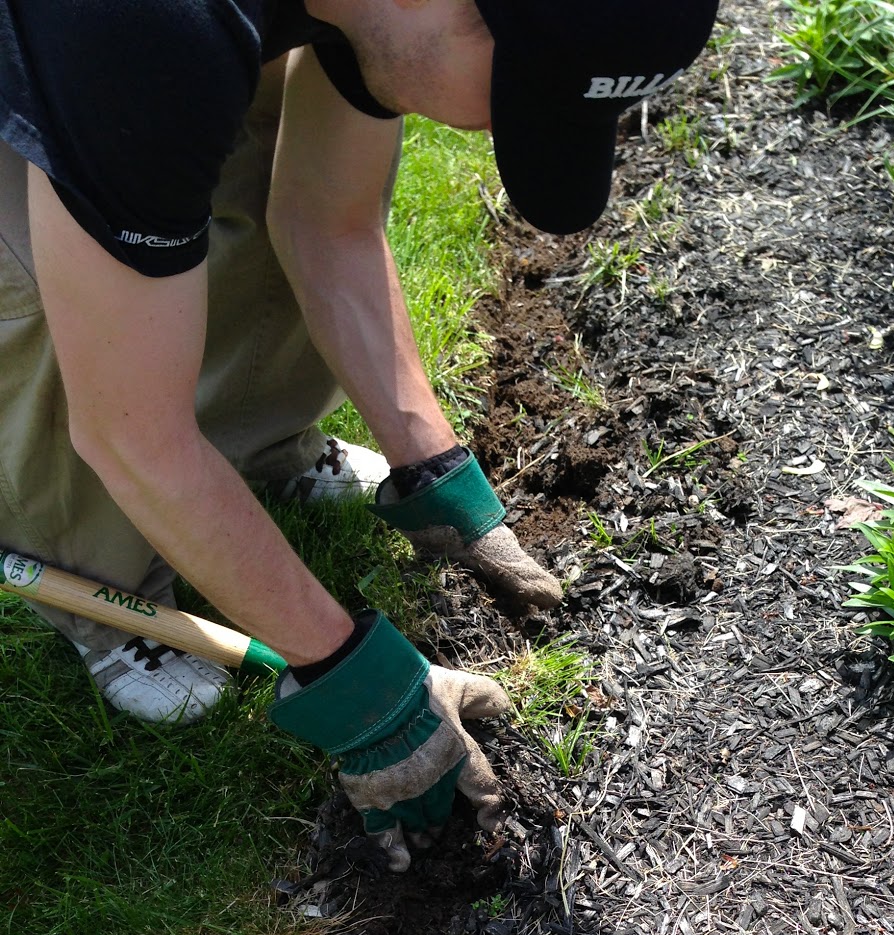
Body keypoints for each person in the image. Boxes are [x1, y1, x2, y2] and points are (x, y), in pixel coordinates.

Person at [0, 0, 718, 869]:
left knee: (238, 140)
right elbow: (131, 440)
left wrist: (437, 469)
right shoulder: (148, 34)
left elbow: (325, 221)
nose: (502, 126)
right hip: (72, 46)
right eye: (519, 92)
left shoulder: (391, 18)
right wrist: (355, 683)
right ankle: (103, 588)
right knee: (56, 283)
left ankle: (253, 455)